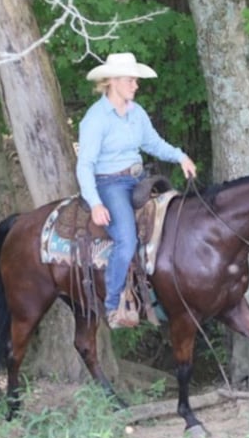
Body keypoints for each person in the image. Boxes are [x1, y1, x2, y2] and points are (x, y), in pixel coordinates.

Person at [76, 52, 197, 329]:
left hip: (139, 179)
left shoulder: (136, 112)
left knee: (172, 223)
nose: (135, 85)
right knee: (127, 240)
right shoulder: (95, 119)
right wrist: (95, 203)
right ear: (113, 82)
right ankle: (112, 303)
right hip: (110, 183)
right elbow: (85, 165)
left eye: (135, 80)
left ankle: (160, 297)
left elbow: (153, 143)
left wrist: (180, 157)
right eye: (131, 80)